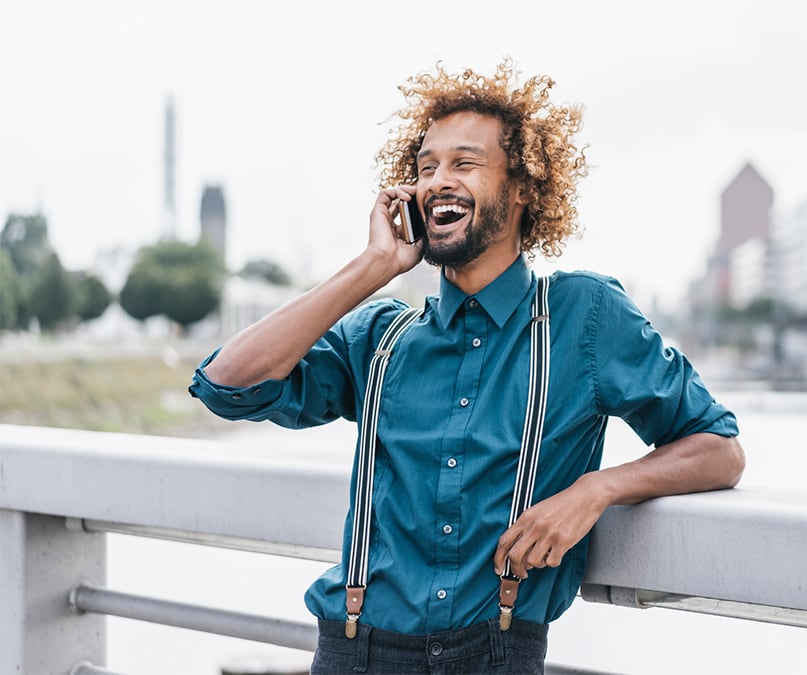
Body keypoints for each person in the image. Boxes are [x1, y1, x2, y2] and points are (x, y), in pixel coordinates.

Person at [189, 60, 744, 674]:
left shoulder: (583, 317)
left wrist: (598, 489)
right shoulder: (383, 336)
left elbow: (718, 447)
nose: (438, 181)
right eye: (426, 168)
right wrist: (375, 267)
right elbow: (225, 384)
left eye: (464, 163)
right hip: (354, 653)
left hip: (498, 653)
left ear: (523, 187)